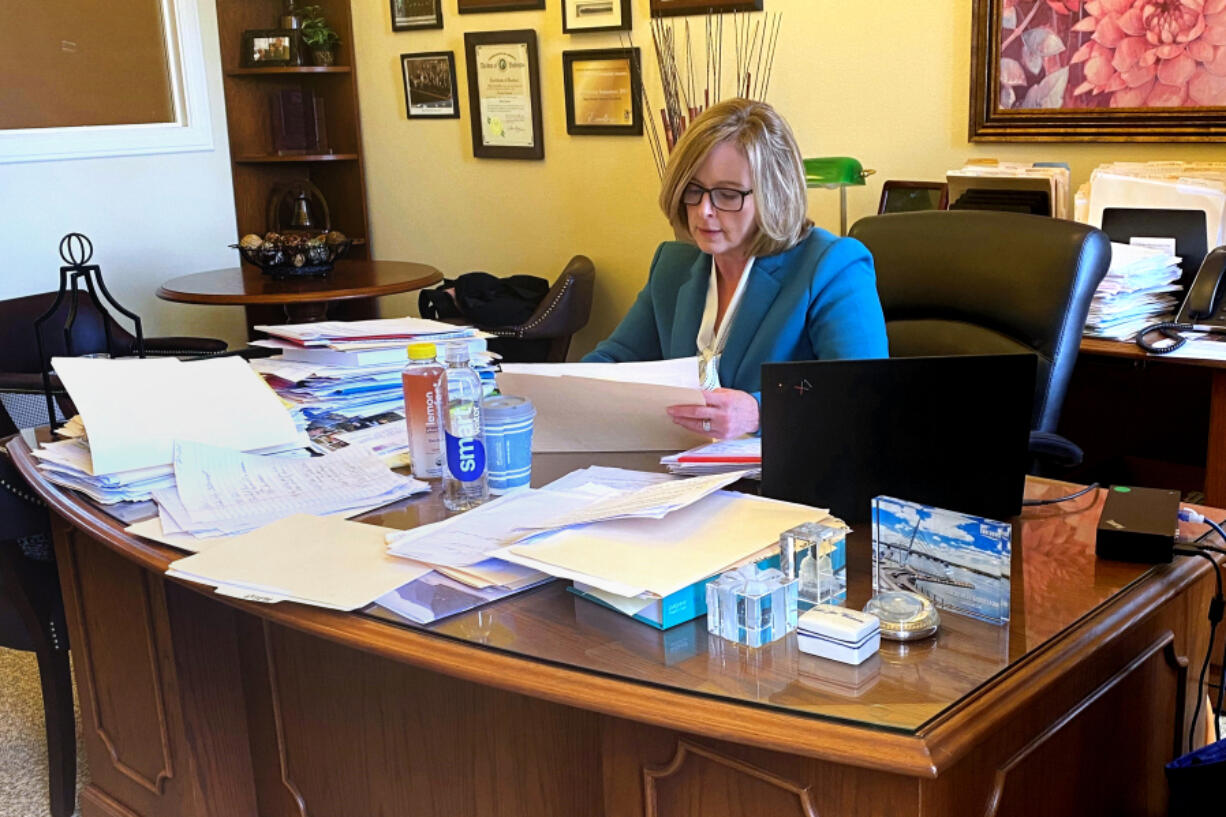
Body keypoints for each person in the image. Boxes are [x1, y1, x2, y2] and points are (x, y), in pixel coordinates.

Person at [582, 98, 888, 439]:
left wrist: (761, 412)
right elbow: (616, 360)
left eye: (727, 194)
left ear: (775, 194)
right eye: (693, 190)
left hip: (782, 481)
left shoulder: (832, 267)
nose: (704, 211)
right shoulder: (672, 266)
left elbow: (862, 393)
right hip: (679, 475)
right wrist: (547, 391)